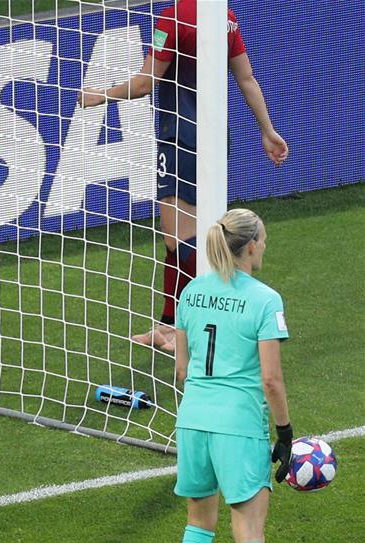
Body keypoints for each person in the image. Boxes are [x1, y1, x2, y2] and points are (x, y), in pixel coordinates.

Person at [77, 0, 289, 352]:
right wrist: (267, 130)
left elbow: (145, 83)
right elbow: (246, 78)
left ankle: (209, 315)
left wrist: (100, 95)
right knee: (182, 236)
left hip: (179, 138)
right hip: (213, 139)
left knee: (181, 239)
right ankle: (170, 326)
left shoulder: (174, 17)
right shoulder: (225, 17)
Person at [172, 208, 293, 543]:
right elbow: (271, 380)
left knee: (197, 526)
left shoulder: (190, 292)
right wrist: (285, 433)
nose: (265, 248)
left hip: (192, 421)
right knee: (249, 533)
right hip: (238, 426)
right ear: (252, 245)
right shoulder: (265, 300)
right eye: (264, 241)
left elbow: (182, 370)